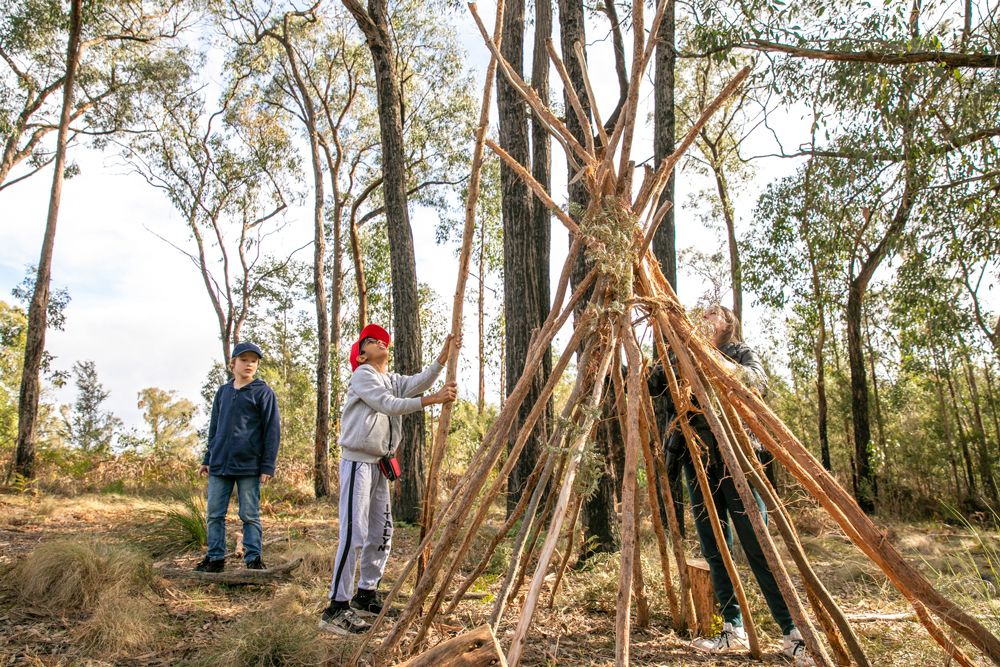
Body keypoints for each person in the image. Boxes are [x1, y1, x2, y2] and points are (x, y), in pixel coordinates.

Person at [647, 305, 813, 665]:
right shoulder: (680, 356)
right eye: (700, 315)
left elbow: (757, 382)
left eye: (711, 315)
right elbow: (652, 383)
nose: (703, 320)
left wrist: (711, 364)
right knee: (713, 545)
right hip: (697, 459)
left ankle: (793, 633)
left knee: (758, 545)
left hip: (736, 459)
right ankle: (731, 628)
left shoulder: (739, 353)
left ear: (727, 323)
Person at [319, 324, 462, 636]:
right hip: (357, 462)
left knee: (381, 531)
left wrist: (443, 356)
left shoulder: (391, 379)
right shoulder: (363, 375)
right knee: (354, 533)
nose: (379, 341)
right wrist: (431, 400)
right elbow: (387, 404)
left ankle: (365, 595)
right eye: (371, 340)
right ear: (361, 354)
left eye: (382, 339)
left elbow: (418, 382)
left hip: (379, 466)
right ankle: (336, 608)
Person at [195, 341, 280, 573]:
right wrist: (207, 459)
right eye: (244, 360)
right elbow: (214, 428)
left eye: (253, 361)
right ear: (233, 363)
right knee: (214, 514)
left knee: (249, 515)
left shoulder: (263, 392)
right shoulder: (223, 392)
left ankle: (253, 559)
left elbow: (272, 431)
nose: (249, 364)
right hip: (220, 464)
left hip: (249, 466)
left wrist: (267, 466)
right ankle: (214, 559)